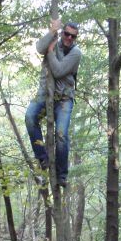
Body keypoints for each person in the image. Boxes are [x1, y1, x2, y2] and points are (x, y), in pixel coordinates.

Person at [25, 19, 81, 188]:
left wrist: (50, 53)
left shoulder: (76, 53)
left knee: (61, 135)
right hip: (44, 94)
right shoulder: (54, 39)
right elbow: (39, 48)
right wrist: (51, 32)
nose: (69, 38)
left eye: (73, 36)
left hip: (64, 99)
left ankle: (61, 175)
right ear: (62, 32)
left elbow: (58, 71)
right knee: (30, 117)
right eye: (66, 34)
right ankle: (43, 159)